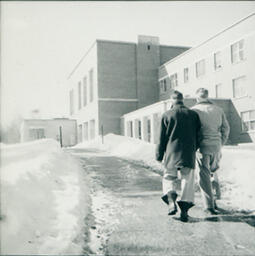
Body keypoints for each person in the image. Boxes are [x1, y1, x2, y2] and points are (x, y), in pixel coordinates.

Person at [156, 90, 201, 222]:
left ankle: (171, 201)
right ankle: (185, 210)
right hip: (188, 153)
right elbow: (199, 134)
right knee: (187, 180)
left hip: (171, 153)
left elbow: (161, 138)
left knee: (169, 177)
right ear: (182, 100)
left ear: (172, 100)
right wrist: (195, 147)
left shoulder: (167, 115)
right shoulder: (193, 114)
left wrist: (159, 154)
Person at [191, 88, 230, 215]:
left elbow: (192, 131)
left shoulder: (194, 111)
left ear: (197, 98)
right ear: (207, 97)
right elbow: (226, 128)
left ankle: (209, 206)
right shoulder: (218, 109)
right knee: (213, 172)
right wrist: (221, 142)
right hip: (216, 146)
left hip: (202, 147)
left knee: (204, 176)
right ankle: (215, 199)